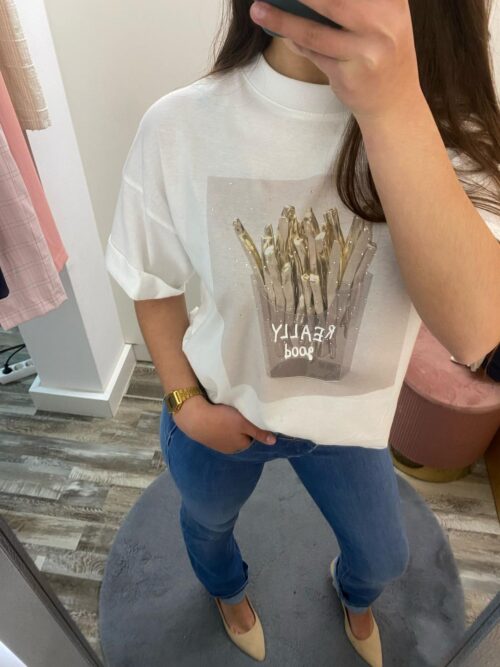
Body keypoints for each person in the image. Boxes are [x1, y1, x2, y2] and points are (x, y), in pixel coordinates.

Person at [105, 1, 500, 664]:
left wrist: (392, 108)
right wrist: (186, 404)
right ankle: (228, 590)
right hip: (221, 408)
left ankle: (355, 593)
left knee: (383, 554)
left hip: (346, 430)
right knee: (208, 524)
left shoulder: (450, 136)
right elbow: (153, 283)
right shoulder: (180, 125)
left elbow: (477, 330)